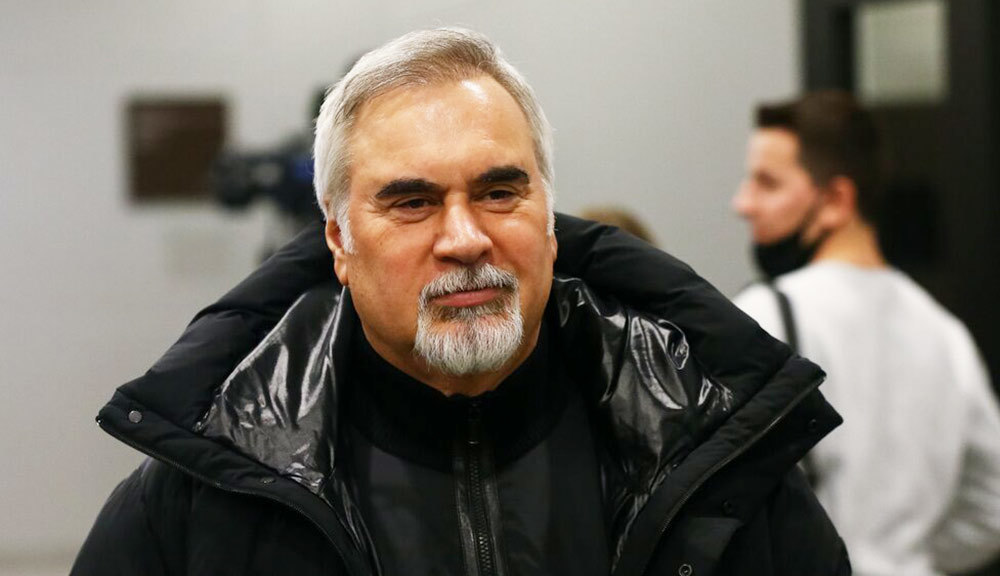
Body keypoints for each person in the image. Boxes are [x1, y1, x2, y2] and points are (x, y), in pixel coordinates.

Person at [72, 29, 850, 576]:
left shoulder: (712, 460)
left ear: (549, 217)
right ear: (338, 240)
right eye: (411, 202)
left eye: (499, 191)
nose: (465, 238)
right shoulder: (201, 498)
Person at [732, 90, 1000, 576]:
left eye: (768, 183)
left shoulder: (764, 315)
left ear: (836, 201)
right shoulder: (944, 332)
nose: (742, 203)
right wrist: (909, 560)